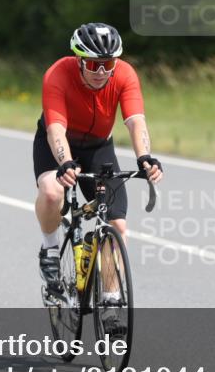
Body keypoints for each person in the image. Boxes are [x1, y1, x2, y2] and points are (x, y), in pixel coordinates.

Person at [32, 23, 164, 318]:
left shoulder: (125, 74)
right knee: (52, 192)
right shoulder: (58, 74)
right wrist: (65, 163)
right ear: (79, 60)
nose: (101, 71)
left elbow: (135, 121)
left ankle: (110, 299)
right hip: (56, 143)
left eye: (108, 64)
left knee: (117, 225)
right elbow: (56, 127)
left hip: (98, 147)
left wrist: (145, 158)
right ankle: (50, 250)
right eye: (93, 64)